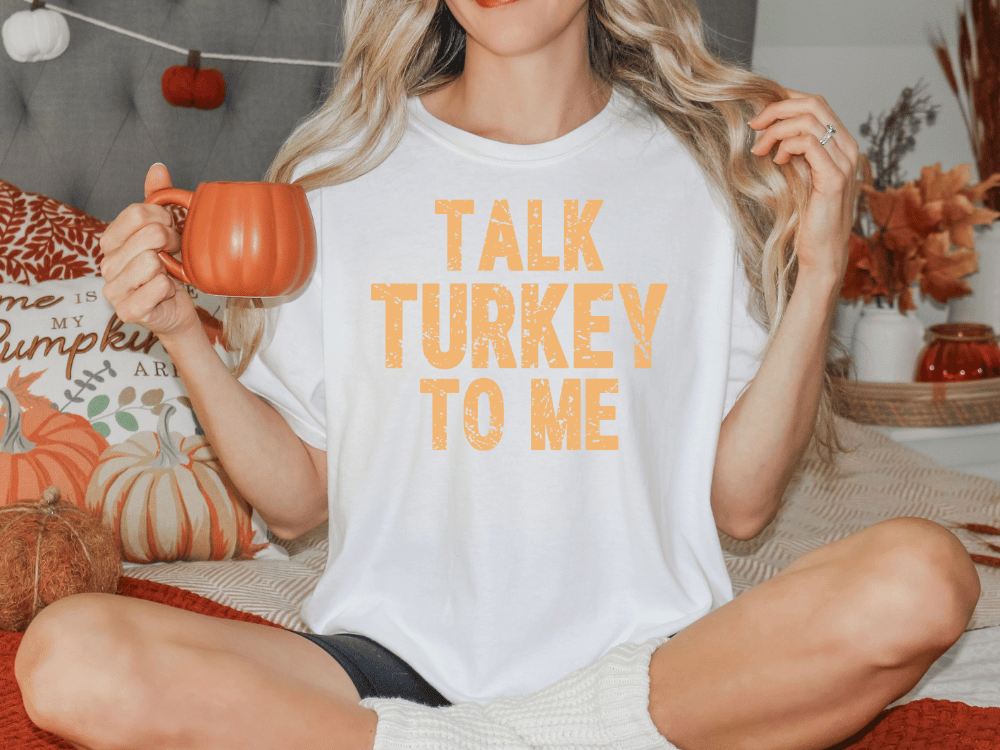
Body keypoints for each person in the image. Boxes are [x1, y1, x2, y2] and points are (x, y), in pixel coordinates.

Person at [15, 0, 981, 749]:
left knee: (924, 576)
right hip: (381, 667)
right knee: (69, 657)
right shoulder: (338, 176)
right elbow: (297, 500)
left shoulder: (699, 174)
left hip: (654, 664)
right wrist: (183, 332)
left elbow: (739, 504)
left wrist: (818, 271)